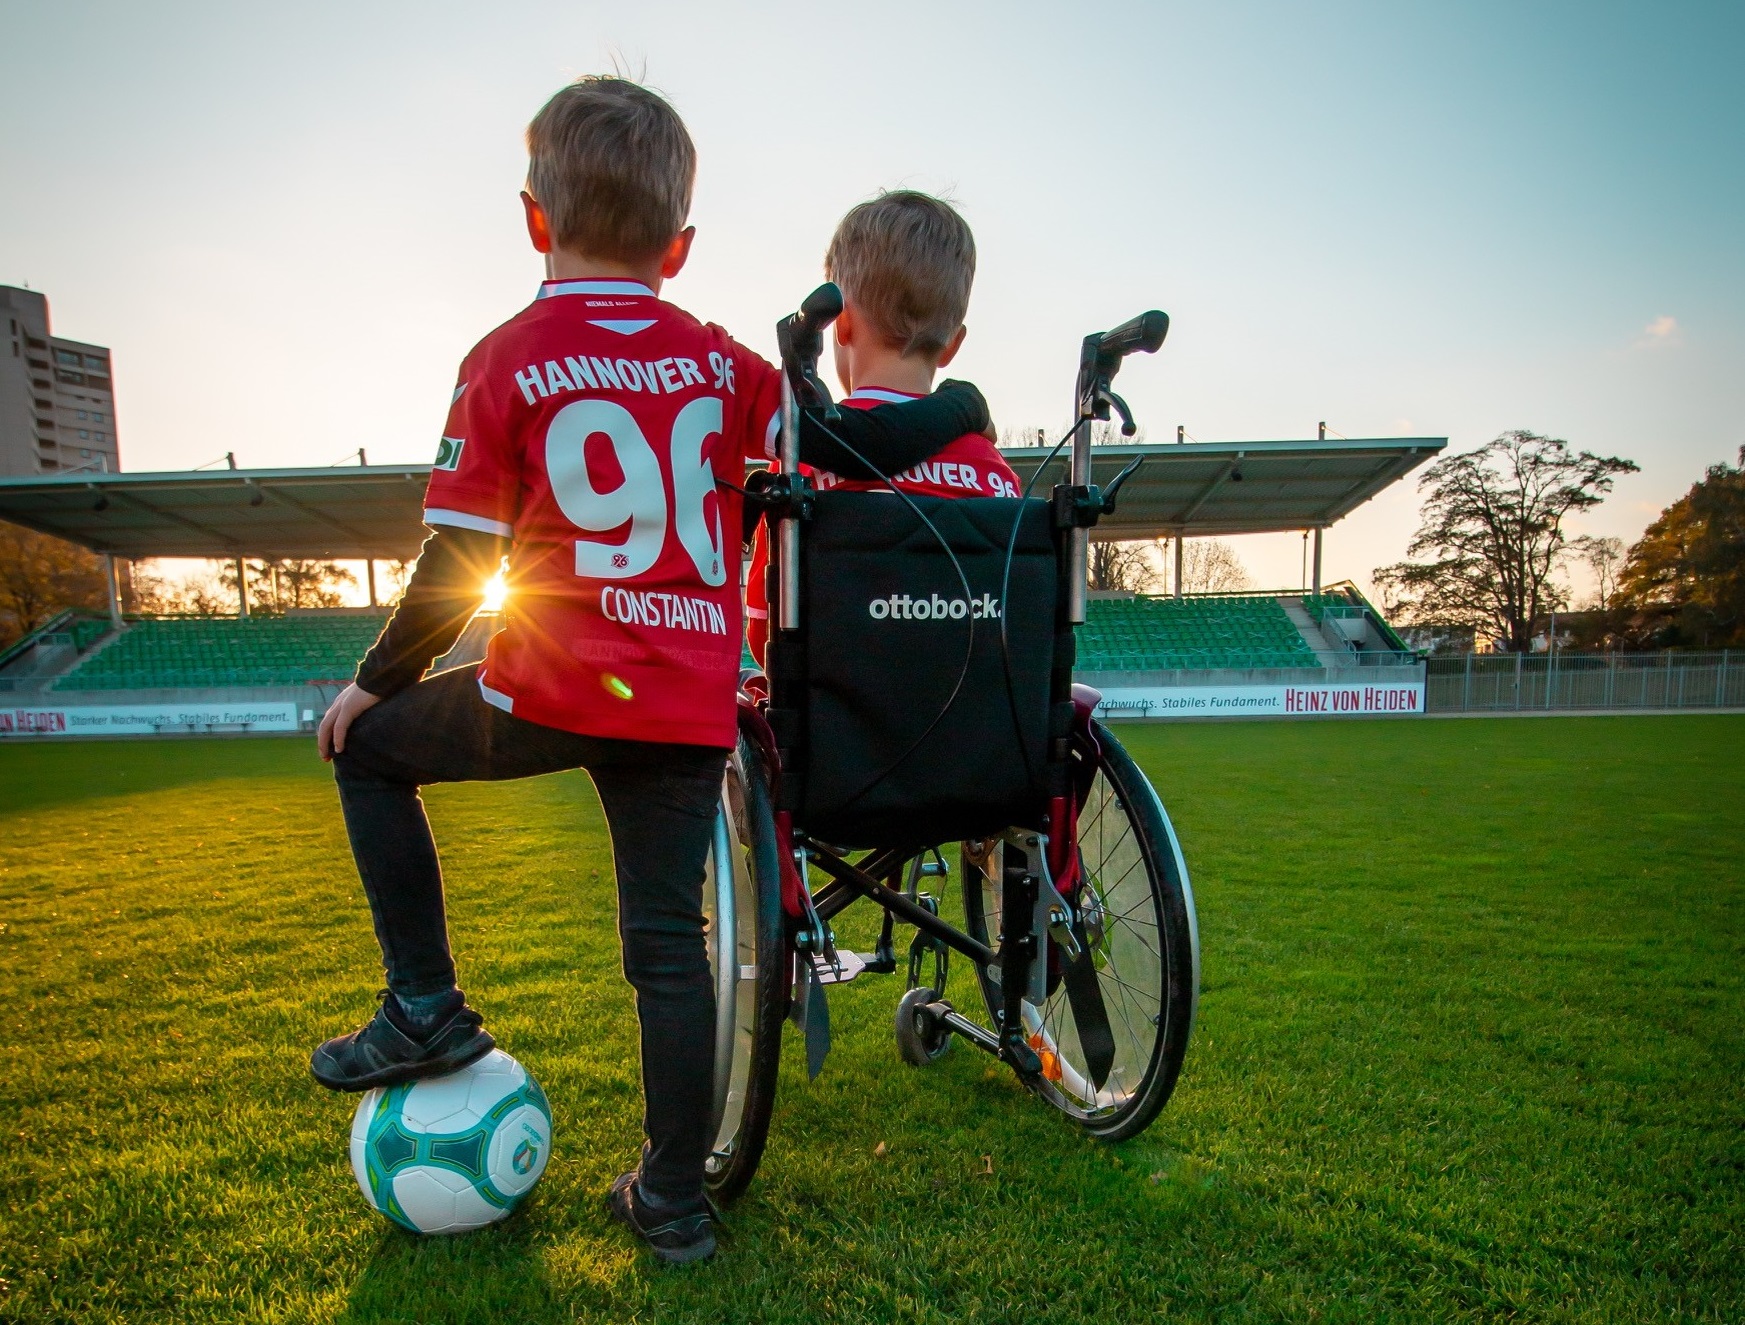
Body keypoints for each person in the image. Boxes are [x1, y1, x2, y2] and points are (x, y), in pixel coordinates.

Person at [308, 77, 991, 1264]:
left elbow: (461, 552)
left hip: (546, 683)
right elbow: (865, 437)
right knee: (666, 948)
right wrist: (966, 397)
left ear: (534, 219)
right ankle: (671, 1198)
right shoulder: (728, 368)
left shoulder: (506, 356)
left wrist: (375, 678)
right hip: (682, 706)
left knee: (368, 754)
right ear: (679, 246)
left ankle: (423, 1000)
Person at [745, 190, 1020, 667]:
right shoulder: (996, 475)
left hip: (833, 733)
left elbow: (762, 632)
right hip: (974, 730)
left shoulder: (802, 464)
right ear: (953, 344)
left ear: (841, 325)